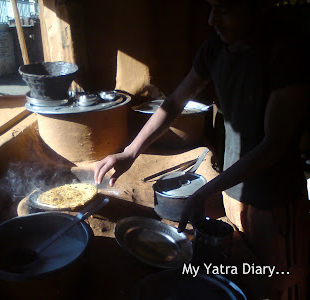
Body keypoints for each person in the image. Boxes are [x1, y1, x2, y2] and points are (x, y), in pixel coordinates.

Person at [94, 0, 309, 299]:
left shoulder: (286, 53)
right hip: (232, 194)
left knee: (282, 284)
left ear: (260, 6)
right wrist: (130, 152)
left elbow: (274, 144)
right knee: (243, 278)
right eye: (210, 7)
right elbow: (173, 104)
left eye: (225, 8)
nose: (211, 19)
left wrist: (206, 191)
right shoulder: (215, 48)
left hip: (274, 203)